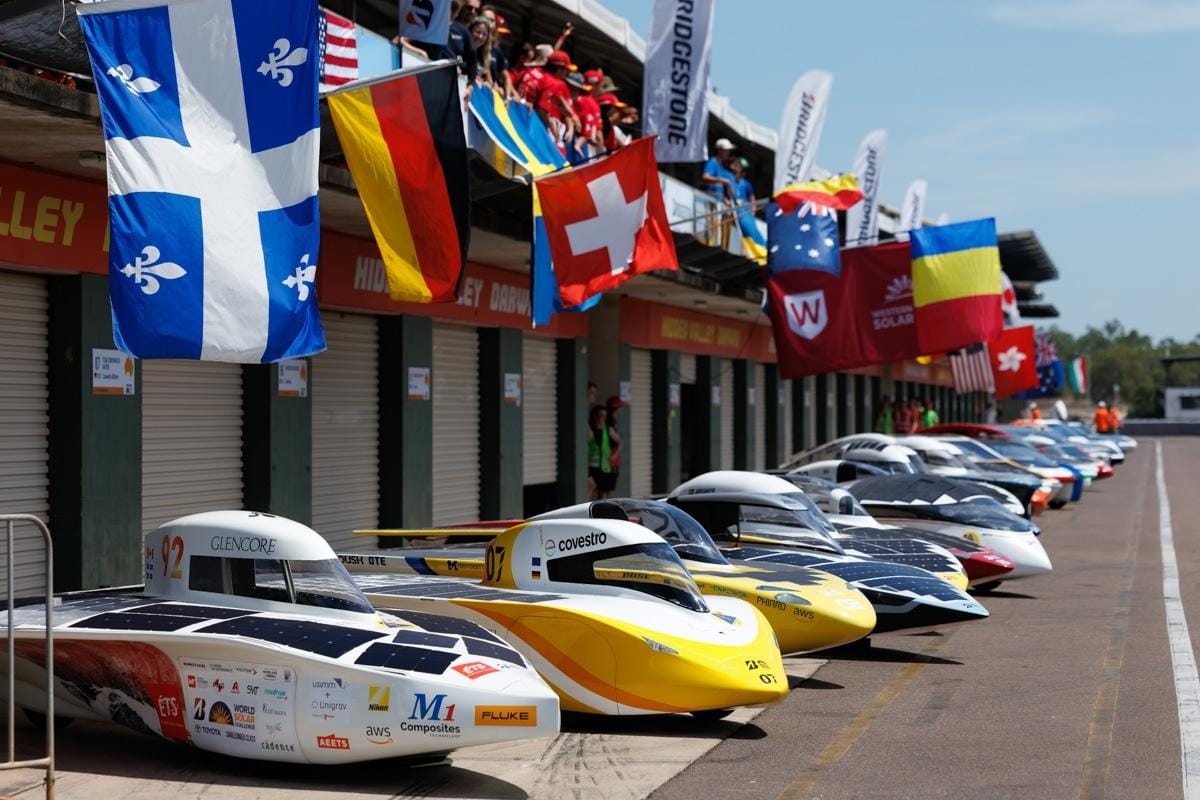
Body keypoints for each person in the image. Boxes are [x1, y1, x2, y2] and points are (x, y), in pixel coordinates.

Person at [701, 139, 737, 248]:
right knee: (712, 227)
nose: (728, 153)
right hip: (710, 201)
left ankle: (719, 245)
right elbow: (705, 177)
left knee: (720, 227)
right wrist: (723, 181)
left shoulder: (721, 167)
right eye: (727, 150)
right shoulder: (713, 162)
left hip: (718, 202)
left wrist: (724, 199)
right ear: (720, 151)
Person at [587, 405, 616, 500]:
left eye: (605, 416)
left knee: (603, 493)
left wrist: (614, 455)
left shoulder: (607, 429)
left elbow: (620, 442)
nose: (603, 418)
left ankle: (601, 511)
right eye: (601, 415)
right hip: (592, 466)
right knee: (591, 489)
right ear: (595, 416)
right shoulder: (590, 429)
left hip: (605, 466)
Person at [606, 395, 624, 488]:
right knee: (605, 488)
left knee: (608, 487)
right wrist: (615, 455)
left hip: (613, 457)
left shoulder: (612, 421)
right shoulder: (608, 422)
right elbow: (619, 441)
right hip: (610, 456)